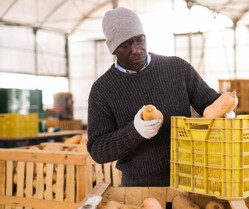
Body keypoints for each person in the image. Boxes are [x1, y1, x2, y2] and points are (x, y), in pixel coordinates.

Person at [87, 7, 224, 186]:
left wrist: (226, 110)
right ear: (113, 49)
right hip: (139, 189)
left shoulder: (177, 68)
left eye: (140, 40)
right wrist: (134, 132)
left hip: (188, 180)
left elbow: (210, 102)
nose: (136, 49)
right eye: (125, 45)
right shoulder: (102, 90)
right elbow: (98, 150)